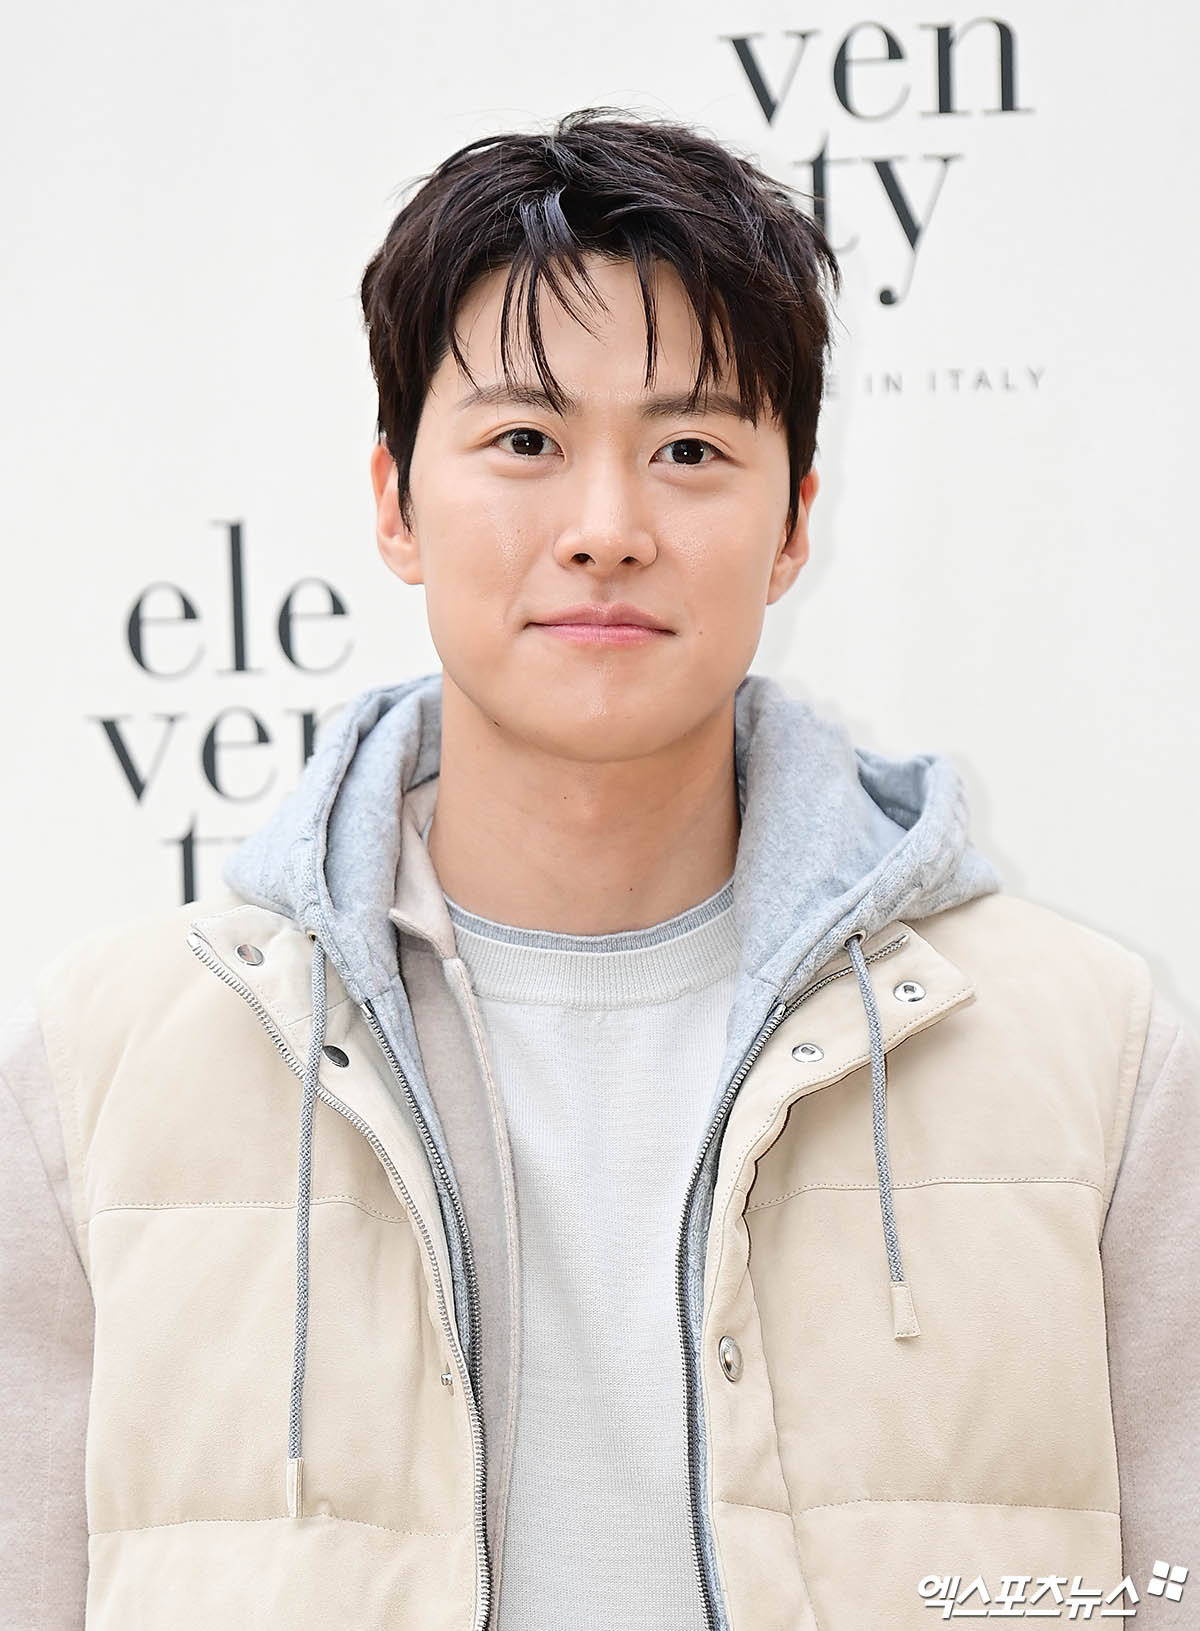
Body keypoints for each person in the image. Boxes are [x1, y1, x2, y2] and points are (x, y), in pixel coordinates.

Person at [1, 105, 1197, 1631]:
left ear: (792, 525)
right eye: (526, 443)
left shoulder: (1092, 1056)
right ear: (394, 503)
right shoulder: (99, 1072)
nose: (607, 527)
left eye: (690, 449)